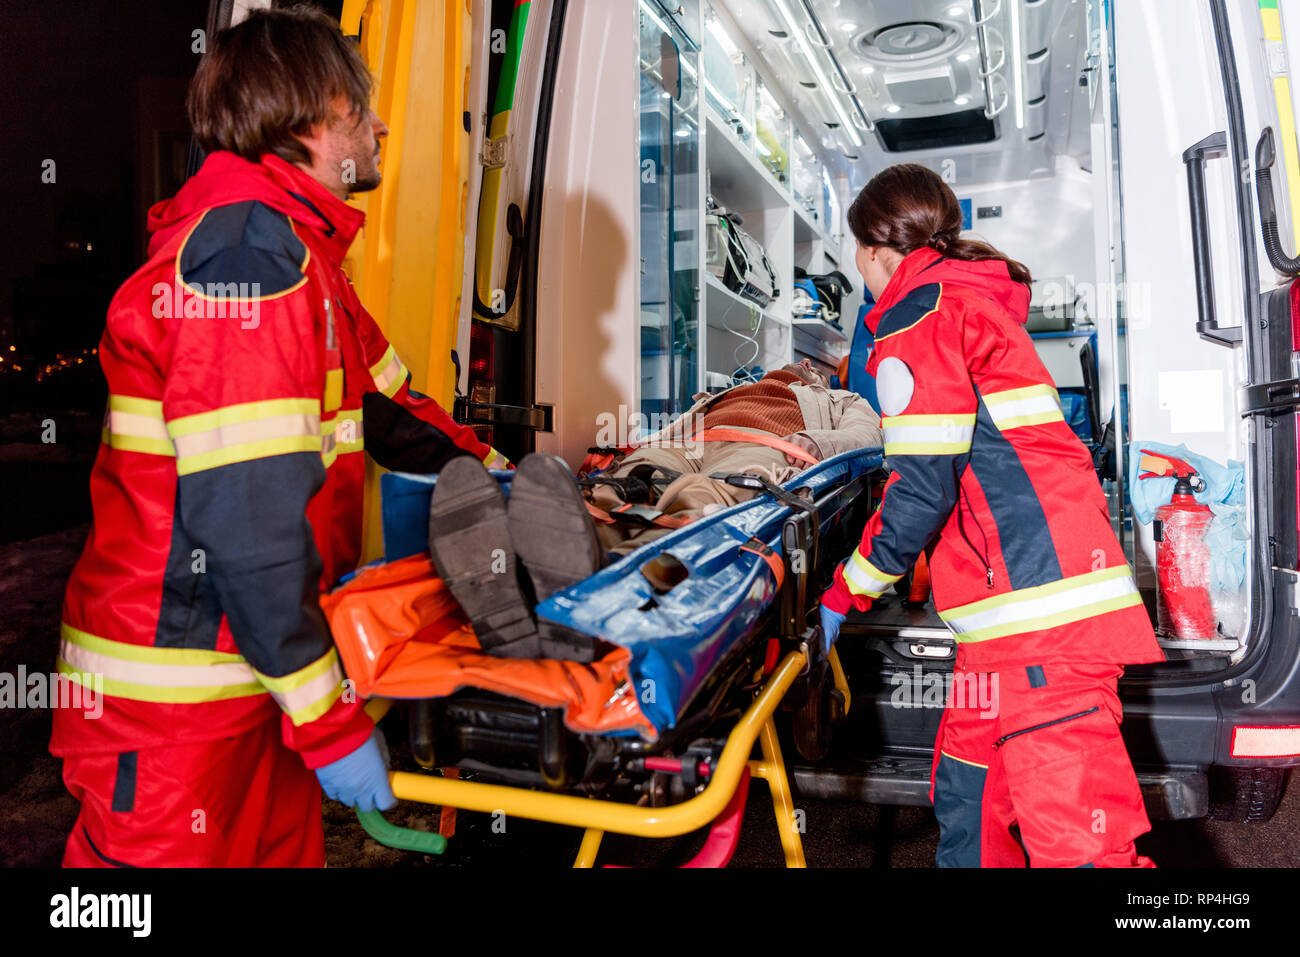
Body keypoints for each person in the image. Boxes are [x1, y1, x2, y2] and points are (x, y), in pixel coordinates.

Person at [51, 6, 506, 867]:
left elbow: (389, 412)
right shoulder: (243, 263)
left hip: (248, 693)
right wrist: (330, 723)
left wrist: (501, 470)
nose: (376, 128)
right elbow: (250, 527)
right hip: (178, 712)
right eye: (358, 109)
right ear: (311, 120)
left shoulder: (298, 263)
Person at [818, 163, 1163, 868]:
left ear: (875, 249)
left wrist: (843, 593)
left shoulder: (922, 313)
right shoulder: (969, 302)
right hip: (1005, 626)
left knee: (1080, 849)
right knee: (971, 809)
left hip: (1041, 624)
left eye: (855, 252)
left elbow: (921, 488)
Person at [426, 360, 881, 661]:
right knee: (626, 482)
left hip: (764, 450)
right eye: (794, 361)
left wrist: (819, 443)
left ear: (817, 379)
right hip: (686, 445)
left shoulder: (841, 400)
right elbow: (673, 429)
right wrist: (637, 452)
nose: (799, 365)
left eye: (806, 366)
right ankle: (558, 548)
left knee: (707, 496)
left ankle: (623, 569)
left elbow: (870, 436)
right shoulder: (724, 394)